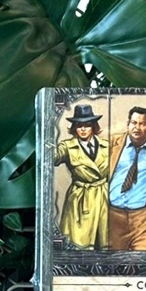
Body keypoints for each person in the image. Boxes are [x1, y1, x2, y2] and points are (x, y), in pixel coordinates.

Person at [107, 106, 146, 251]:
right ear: (128, 124)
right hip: (113, 217)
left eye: (142, 124)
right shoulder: (111, 143)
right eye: (134, 123)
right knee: (113, 262)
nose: (137, 128)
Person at [54, 103, 111, 249]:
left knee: (106, 242)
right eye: (79, 126)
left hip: (104, 197)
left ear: (94, 126)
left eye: (87, 125)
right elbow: (52, 158)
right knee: (79, 244)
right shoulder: (67, 147)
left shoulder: (107, 146)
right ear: (74, 128)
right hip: (80, 199)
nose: (83, 129)